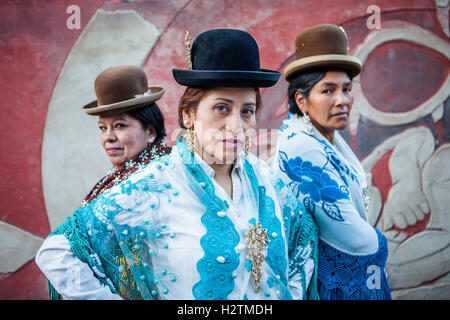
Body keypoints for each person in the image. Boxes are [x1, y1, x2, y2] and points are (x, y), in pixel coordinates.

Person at [36, 29, 319, 300]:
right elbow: (59, 252)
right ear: (188, 114)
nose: (236, 126)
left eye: (247, 111)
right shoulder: (153, 186)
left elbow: (303, 238)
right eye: (221, 108)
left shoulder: (268, 180)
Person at [273, 24, 391, 299]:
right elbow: (354, 238)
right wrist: (380, 244)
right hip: (330, 286)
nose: (342, 101)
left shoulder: (323, 137)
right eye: (328, 91)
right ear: (301, 100)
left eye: (347, 89)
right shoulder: (301, 147)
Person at [35, 65, 170, 299]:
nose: (108, 137)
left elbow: (54, 253)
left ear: (151, 131)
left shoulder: (149, 181)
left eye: (120, 125)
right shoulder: (124, 177)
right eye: (102, 128)